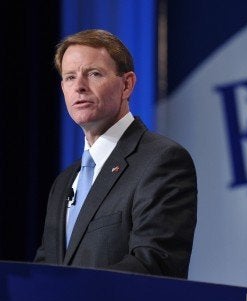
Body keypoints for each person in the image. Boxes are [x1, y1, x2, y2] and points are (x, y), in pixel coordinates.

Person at [34, 29, 197, 279]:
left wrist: (73, 296)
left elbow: (154, 264)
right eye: (69, 77)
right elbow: (47, 269)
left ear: (127, 84)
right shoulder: (64, 181)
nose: (79, 86)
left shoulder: (161, 161)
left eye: (94, 74)